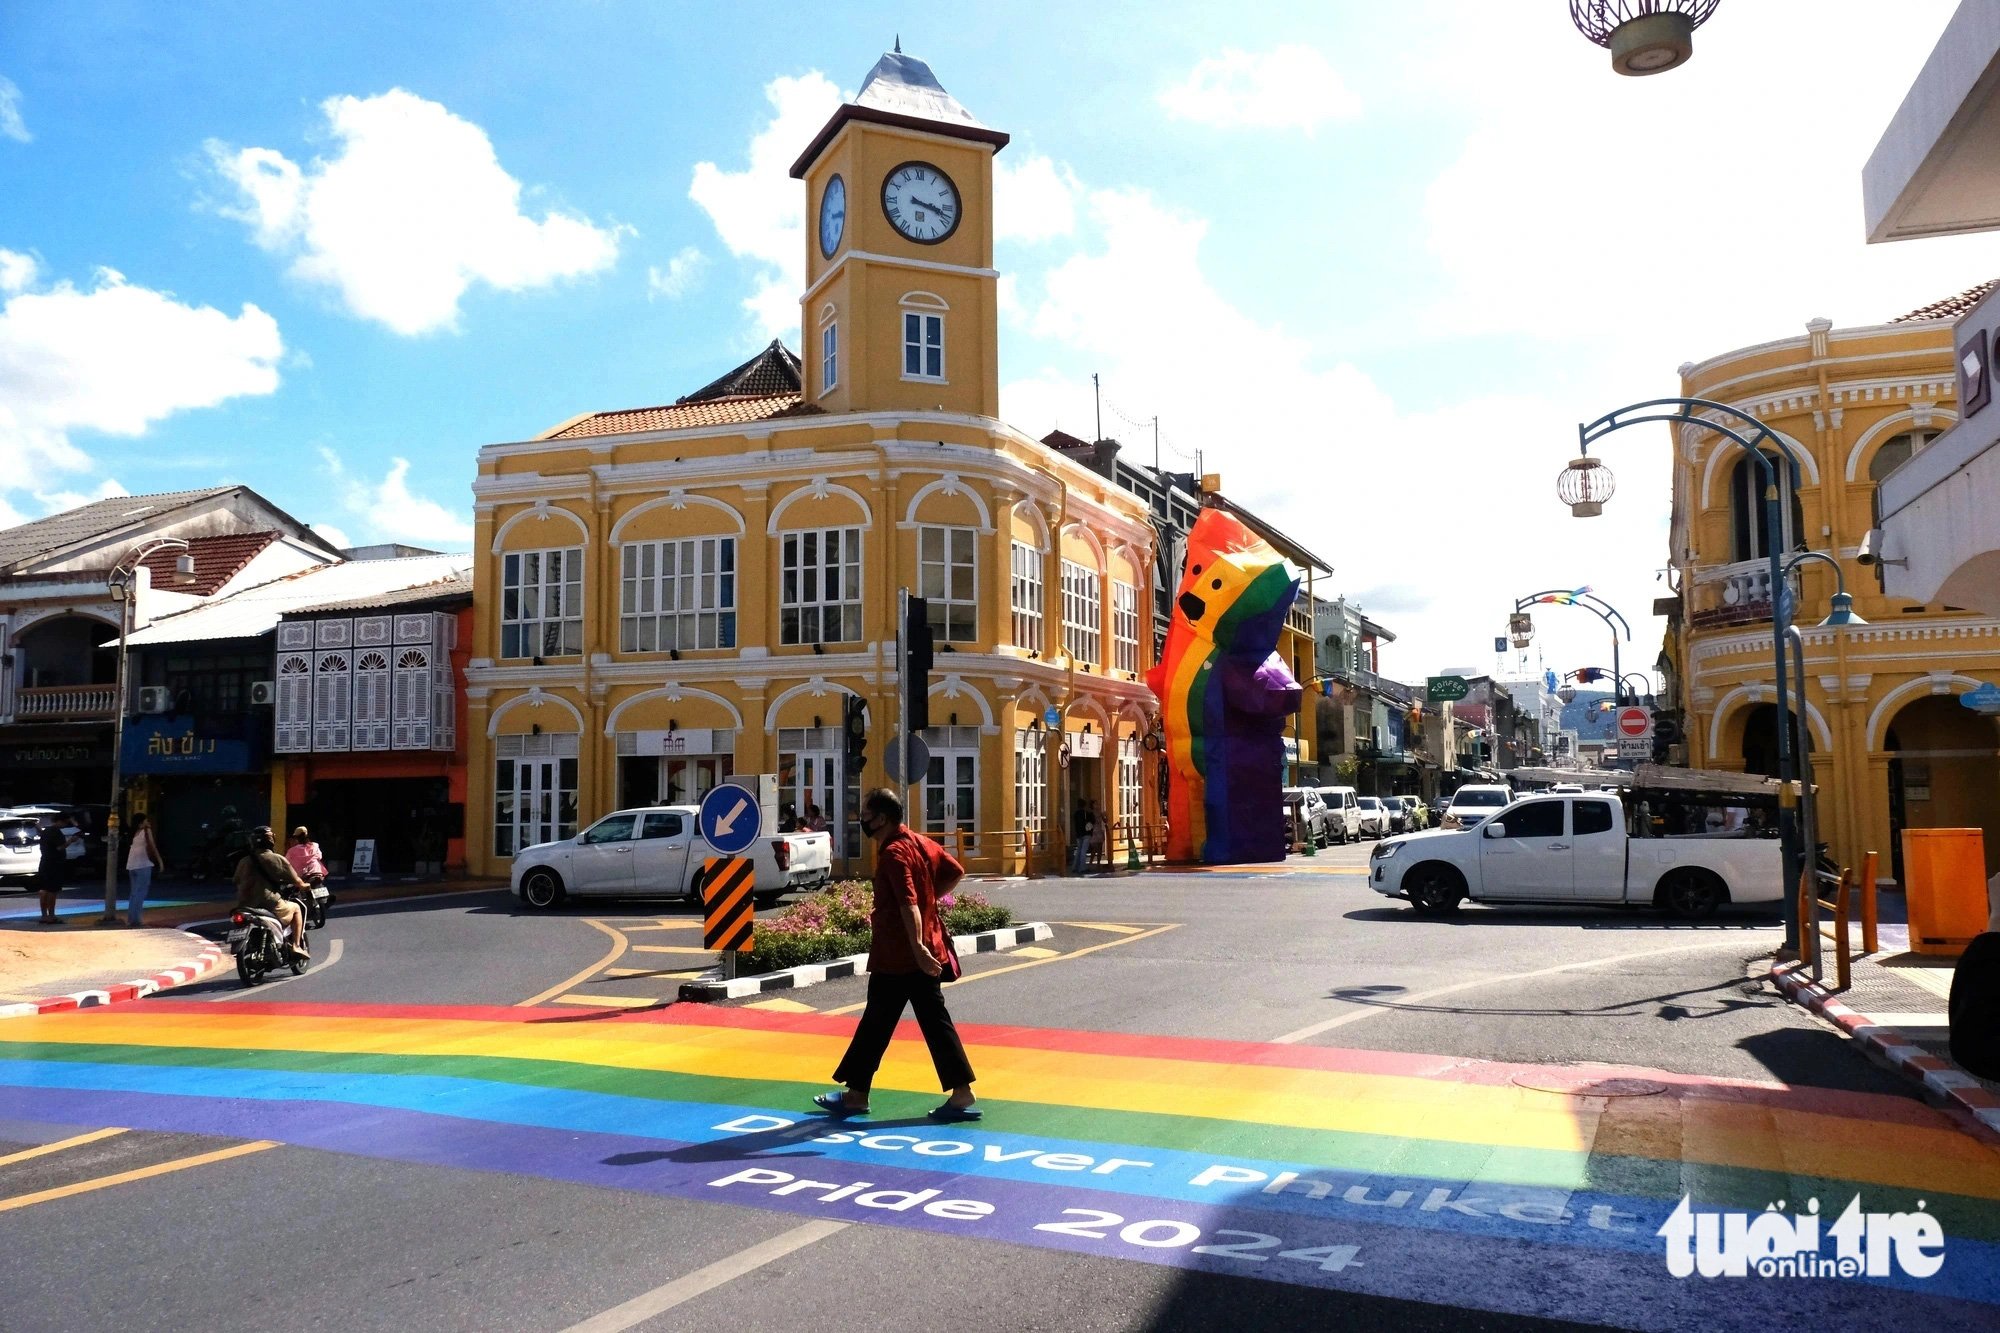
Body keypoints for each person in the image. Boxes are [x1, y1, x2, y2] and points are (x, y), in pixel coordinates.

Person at [815, 788, 979, 1123]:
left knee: (880, 1022)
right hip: (919, 952)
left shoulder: (893, 853)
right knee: (914, 1023)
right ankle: (862, 1093)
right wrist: (929, 904)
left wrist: (917, 944)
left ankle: (858, 1095)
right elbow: (953, 871)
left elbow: (908, 904)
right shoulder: (918, 841)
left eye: (865, 813)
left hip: (901, 956)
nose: (861, 819)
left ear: (882, 819)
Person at [234, 824, 309, 958]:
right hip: (270, 905)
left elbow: (236, 880)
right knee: (297, 907)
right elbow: (296, 880)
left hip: (245, 905)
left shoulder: (244, 861)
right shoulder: (277, 859)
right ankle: (296, 946)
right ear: (271, 840)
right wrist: (305, 886)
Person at [124, 813, 164, 927]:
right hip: (143, 864)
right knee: (141, 893)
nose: (148, 822)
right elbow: (152, 846)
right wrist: (160, 861)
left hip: (131, 865)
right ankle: (137, 921)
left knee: (134, 893)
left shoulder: (133, 833)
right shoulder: (146, 831)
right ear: (141, 822)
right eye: (146, 820)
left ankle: (131, 919)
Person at [35, 817, 65, 925]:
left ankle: (44, 915)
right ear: (60, 821)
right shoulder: (56, 832)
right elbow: (60, 847)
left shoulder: (45, 831)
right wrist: (71, 840)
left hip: (44, 862)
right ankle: (51, 916)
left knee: (44, 889)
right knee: (52, 890)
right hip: (54, 864)